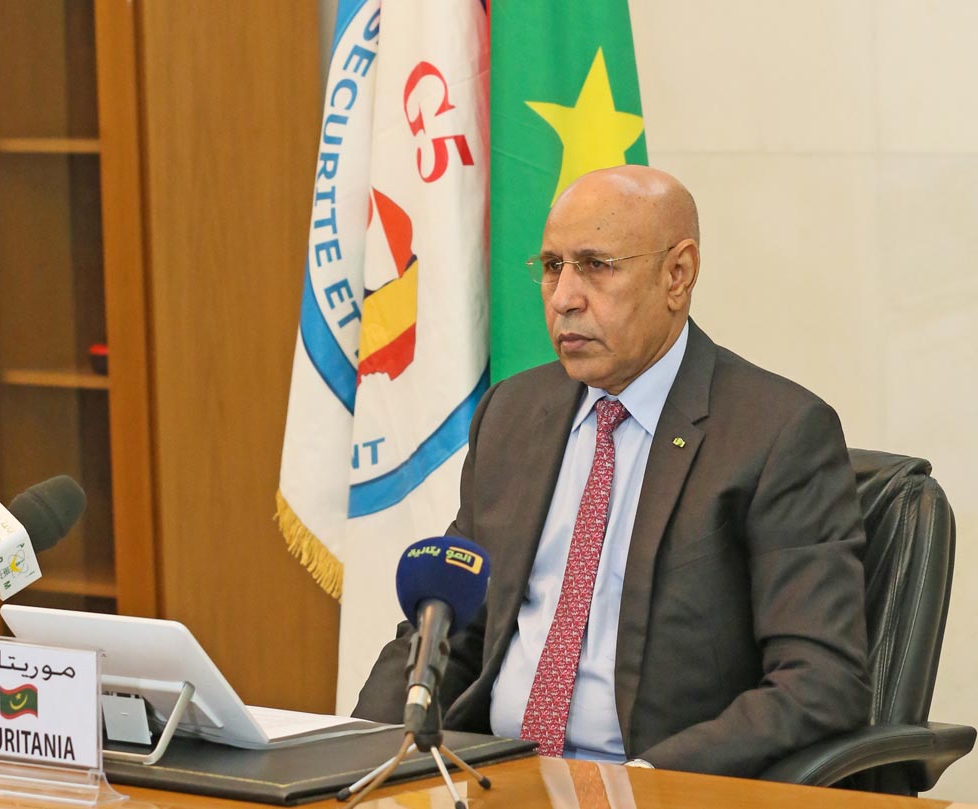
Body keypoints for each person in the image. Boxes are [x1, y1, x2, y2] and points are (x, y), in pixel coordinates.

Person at [352, 166, 871, 777]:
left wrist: (646, 782)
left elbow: (820, 681)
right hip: (498, 776)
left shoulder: (776, 433)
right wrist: (353, 752)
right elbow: (448, 628)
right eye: (553, 266)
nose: (564, 298)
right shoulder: (512, 414)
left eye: (596, 266)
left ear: (677, 275)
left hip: (656, 781)